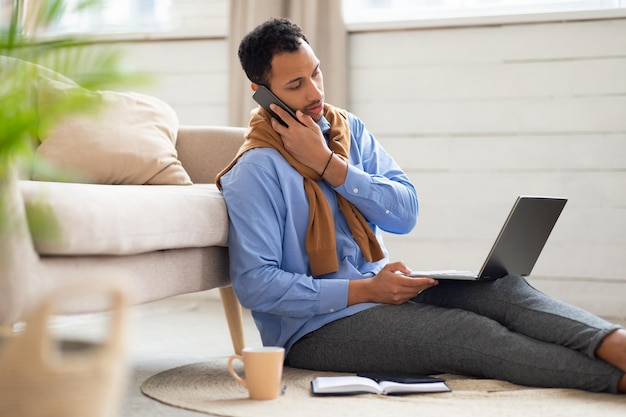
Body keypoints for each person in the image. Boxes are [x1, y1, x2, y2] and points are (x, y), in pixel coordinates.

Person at [216, 17, 626, 394]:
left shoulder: (347, 132)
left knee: (504, 290)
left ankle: (617, 345)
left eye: (316, 72)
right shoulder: (254, 171)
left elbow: (405, 214)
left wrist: (330, 166)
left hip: (384, 287)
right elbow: (256, 285)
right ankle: (614, 381)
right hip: (315, 329)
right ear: (262, 93)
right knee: (467, 333)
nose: (315, 92)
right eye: (295, 85)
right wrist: (363, 290)